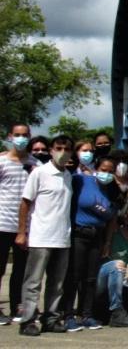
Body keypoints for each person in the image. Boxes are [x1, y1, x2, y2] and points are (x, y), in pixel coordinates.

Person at [17, 135, 75, 336]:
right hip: (41, 236)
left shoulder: (68, 176)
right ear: (51, 149)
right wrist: (22, 232)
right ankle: (28, 320)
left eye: (66, 149)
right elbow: (25, 202)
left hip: (62, 237)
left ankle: (51, 317)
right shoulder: (40, 173)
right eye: (58, 148)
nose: (62, 152)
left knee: (57, 283)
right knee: (33, 281)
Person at [61, 156, 120, 332]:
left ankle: (86, 314)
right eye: (104, 169)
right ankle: (68, 315)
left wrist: (107, 242)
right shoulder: (81, 181)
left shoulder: (111, 191)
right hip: (79, 233)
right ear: (97, 168)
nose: (106, 174)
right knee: (74, 276)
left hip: (98, 236)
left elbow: (112, 219)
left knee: (91, 278)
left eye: (110, 171)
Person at [0, 131, 39, 325]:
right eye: (17, 134)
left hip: (25, 226)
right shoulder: (1, 161)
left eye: (25, 134)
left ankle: (18, 305)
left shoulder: (34, 164)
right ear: (10, 136)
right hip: (2, 223)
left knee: (21, 270)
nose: (21, 138)